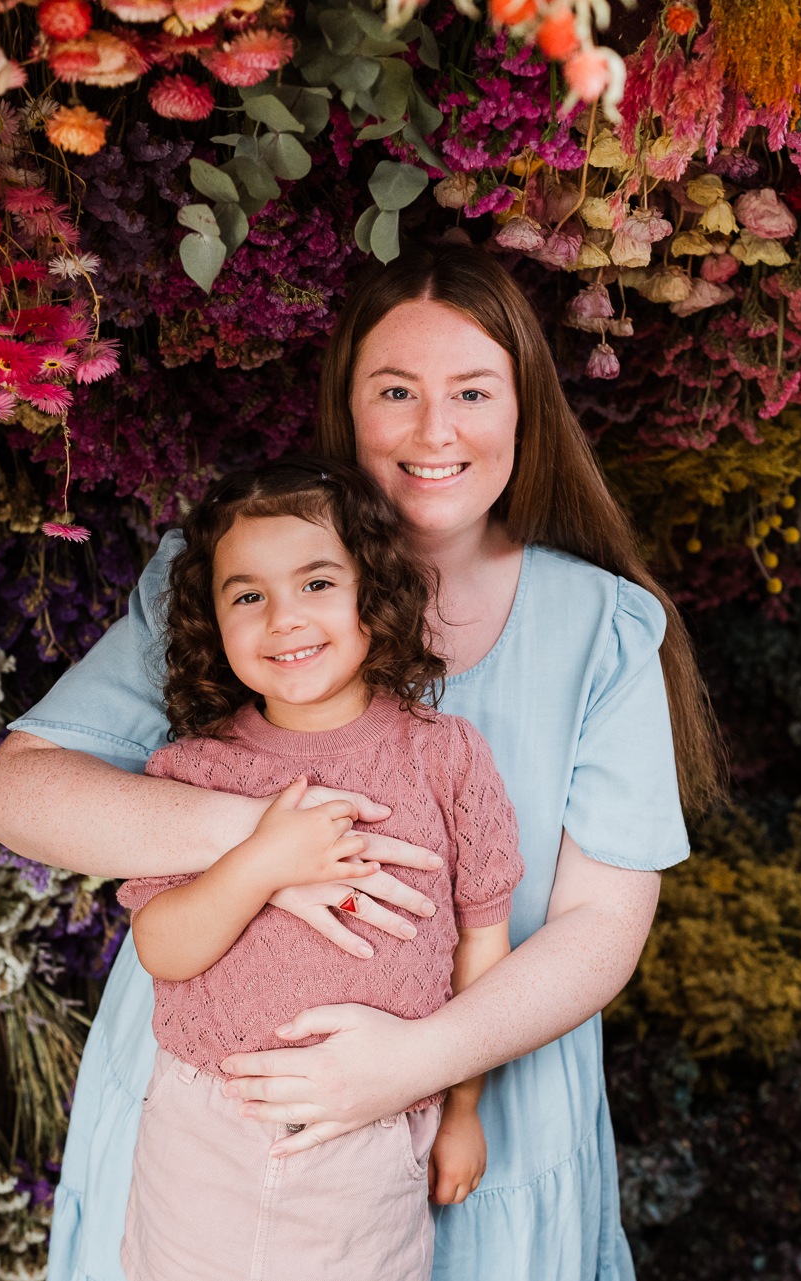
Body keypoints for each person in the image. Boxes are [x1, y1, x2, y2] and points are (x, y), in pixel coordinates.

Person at [0, 240, 725, 1281]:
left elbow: (602, 929)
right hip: (214, 1129)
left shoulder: (599, 629)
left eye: (472, 390)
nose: (435, 430)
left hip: (482, 1120)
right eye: (396, 391)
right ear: (347, 407)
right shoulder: (233, 586)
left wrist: (417, 1066)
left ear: (525, 410)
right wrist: (268, 840)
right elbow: (15, 797)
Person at [116, 456, 521, 1280]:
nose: (283, 618)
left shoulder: (445, 758)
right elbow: (162, 946)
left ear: (374, 589)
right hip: (204, 1128)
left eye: (316, 582)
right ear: (213, 620)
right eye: (248, 595)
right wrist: (261, 861)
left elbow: (484, 947)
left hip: (369, 1144)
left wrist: (464, 1106)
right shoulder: (191, 769)